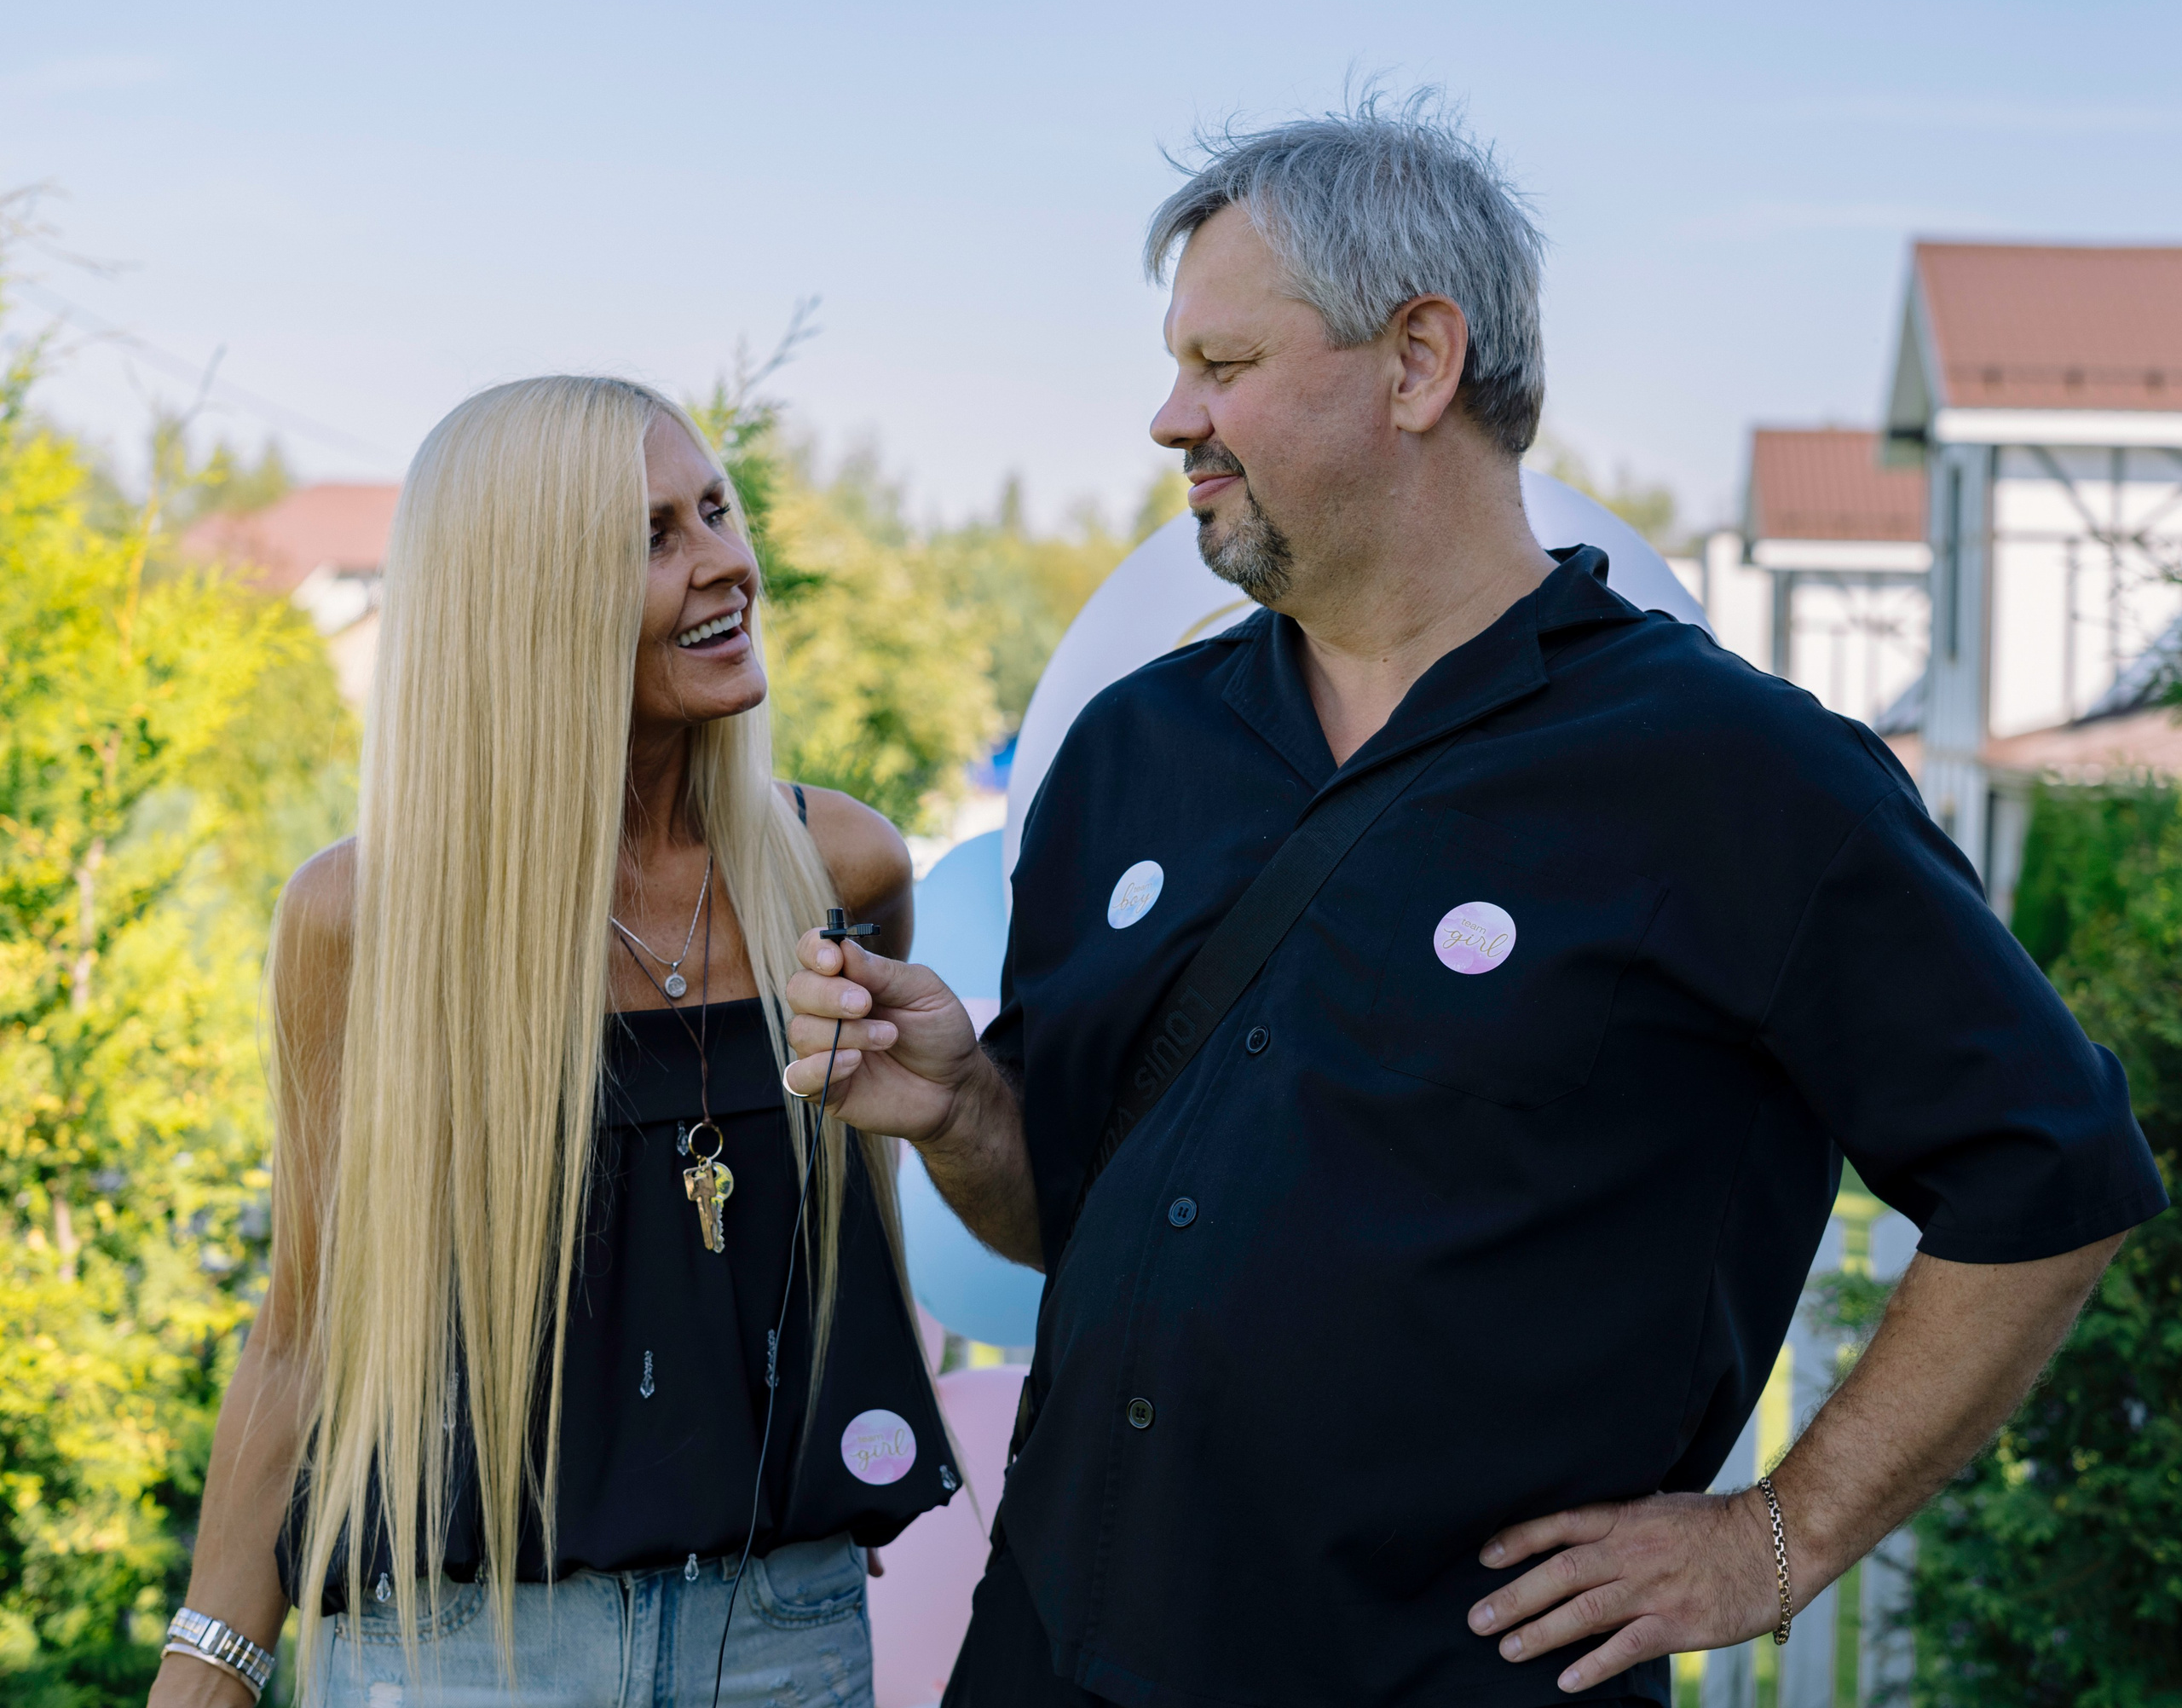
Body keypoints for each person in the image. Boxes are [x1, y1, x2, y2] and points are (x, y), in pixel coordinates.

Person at [780, 100, 2169, 1707]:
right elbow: (1072, 1218)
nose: (1172, 419)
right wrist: (962, 1110)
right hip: (1055, 1660)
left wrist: (1776, 1537)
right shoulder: (1132, 749)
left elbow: (2051, 1176)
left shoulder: (1736, 773)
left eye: (1223, 367)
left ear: (1419, 362)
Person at [149, 376, 956, 1708]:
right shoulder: (365, 923)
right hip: (462, 1650)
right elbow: (305, 1327)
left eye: (715, 510)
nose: (726, 565)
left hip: (779, 1635)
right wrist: (211, 1663)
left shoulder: (839, 870)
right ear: (528, 600)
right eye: (653, 538)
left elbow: (861, 1209)